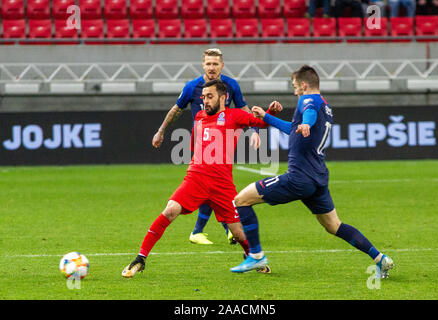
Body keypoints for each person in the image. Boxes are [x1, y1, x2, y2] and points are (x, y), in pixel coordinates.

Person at [230, 65, 394, 280]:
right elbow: (294, 129)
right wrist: (266, 117)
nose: (294, 91)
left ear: (304, 85)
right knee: (334, 226)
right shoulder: (326, 107)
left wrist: (306, 123)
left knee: (241, 200)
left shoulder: (308, 100)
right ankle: (380, 258)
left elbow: (307, 115)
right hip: (317, 178)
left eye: (295, 87)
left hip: (299, 177)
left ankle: (256, 255)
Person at [122, 79, 275, 278]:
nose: (205, 101)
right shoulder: (200, 117)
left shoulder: (235, 115)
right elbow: (196, 147)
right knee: (170, 210)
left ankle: (254, 258)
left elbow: (261, 122)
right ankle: (140, 258)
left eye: (209, 97)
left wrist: (272, 111)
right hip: (196, 179)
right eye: (203, 97)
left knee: (238, 233)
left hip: (222, 184)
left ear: (223, 97)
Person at [151, 48, 260, 246]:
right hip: (203, 143)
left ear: (222, 66)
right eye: (208, 63)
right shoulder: (192, 86)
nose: (211, 67)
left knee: (213, 186)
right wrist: (161, 131)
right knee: (210, 184)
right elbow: (176, 109)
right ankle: (219, 228)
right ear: (203, 65)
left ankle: (211, 229)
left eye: (215, 64)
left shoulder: (231, 85)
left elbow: (243, 109)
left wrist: (254, 133)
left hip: (225, 141)